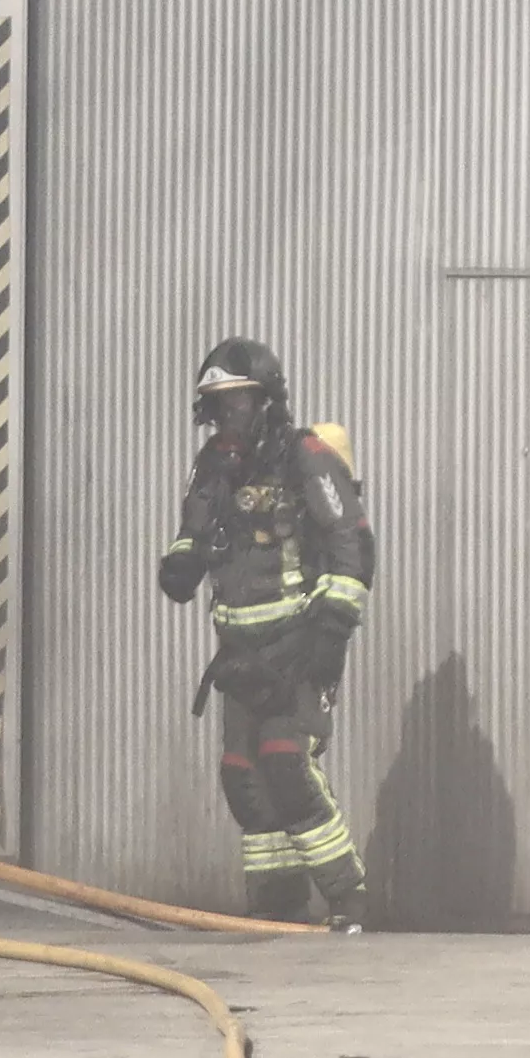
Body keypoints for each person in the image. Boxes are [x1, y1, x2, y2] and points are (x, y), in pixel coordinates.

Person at [155, 337, 372, 929]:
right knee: (243, 778)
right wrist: (180, 564)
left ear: (266, 402)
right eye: (219, 407)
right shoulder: (212, 464)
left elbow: (352, 543)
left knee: (285, 764)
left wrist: (332, 631)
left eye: (240, 404)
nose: (230, 418)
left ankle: (347, 897)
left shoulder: (304, 457)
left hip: (298, 645)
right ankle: (279, 907)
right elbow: (194, 531)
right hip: (238, 650)